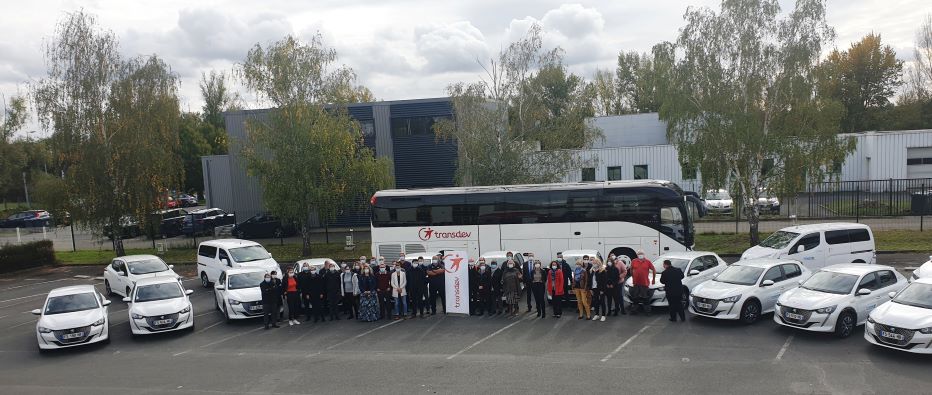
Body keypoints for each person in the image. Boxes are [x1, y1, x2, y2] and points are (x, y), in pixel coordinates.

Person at [630, 250, 657, 315]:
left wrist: (653, 279)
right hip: (636, 283)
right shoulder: (633, 261)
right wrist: (633, 277)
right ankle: (634, 311)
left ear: (644, 254)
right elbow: (631, 270)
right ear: (637, 255)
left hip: (644, 283)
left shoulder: (648, 262)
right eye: (639, 254)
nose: (640, 255)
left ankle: (648, 311)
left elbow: (654, 270)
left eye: (641, 253)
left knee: (645, 298)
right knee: (635, 297)